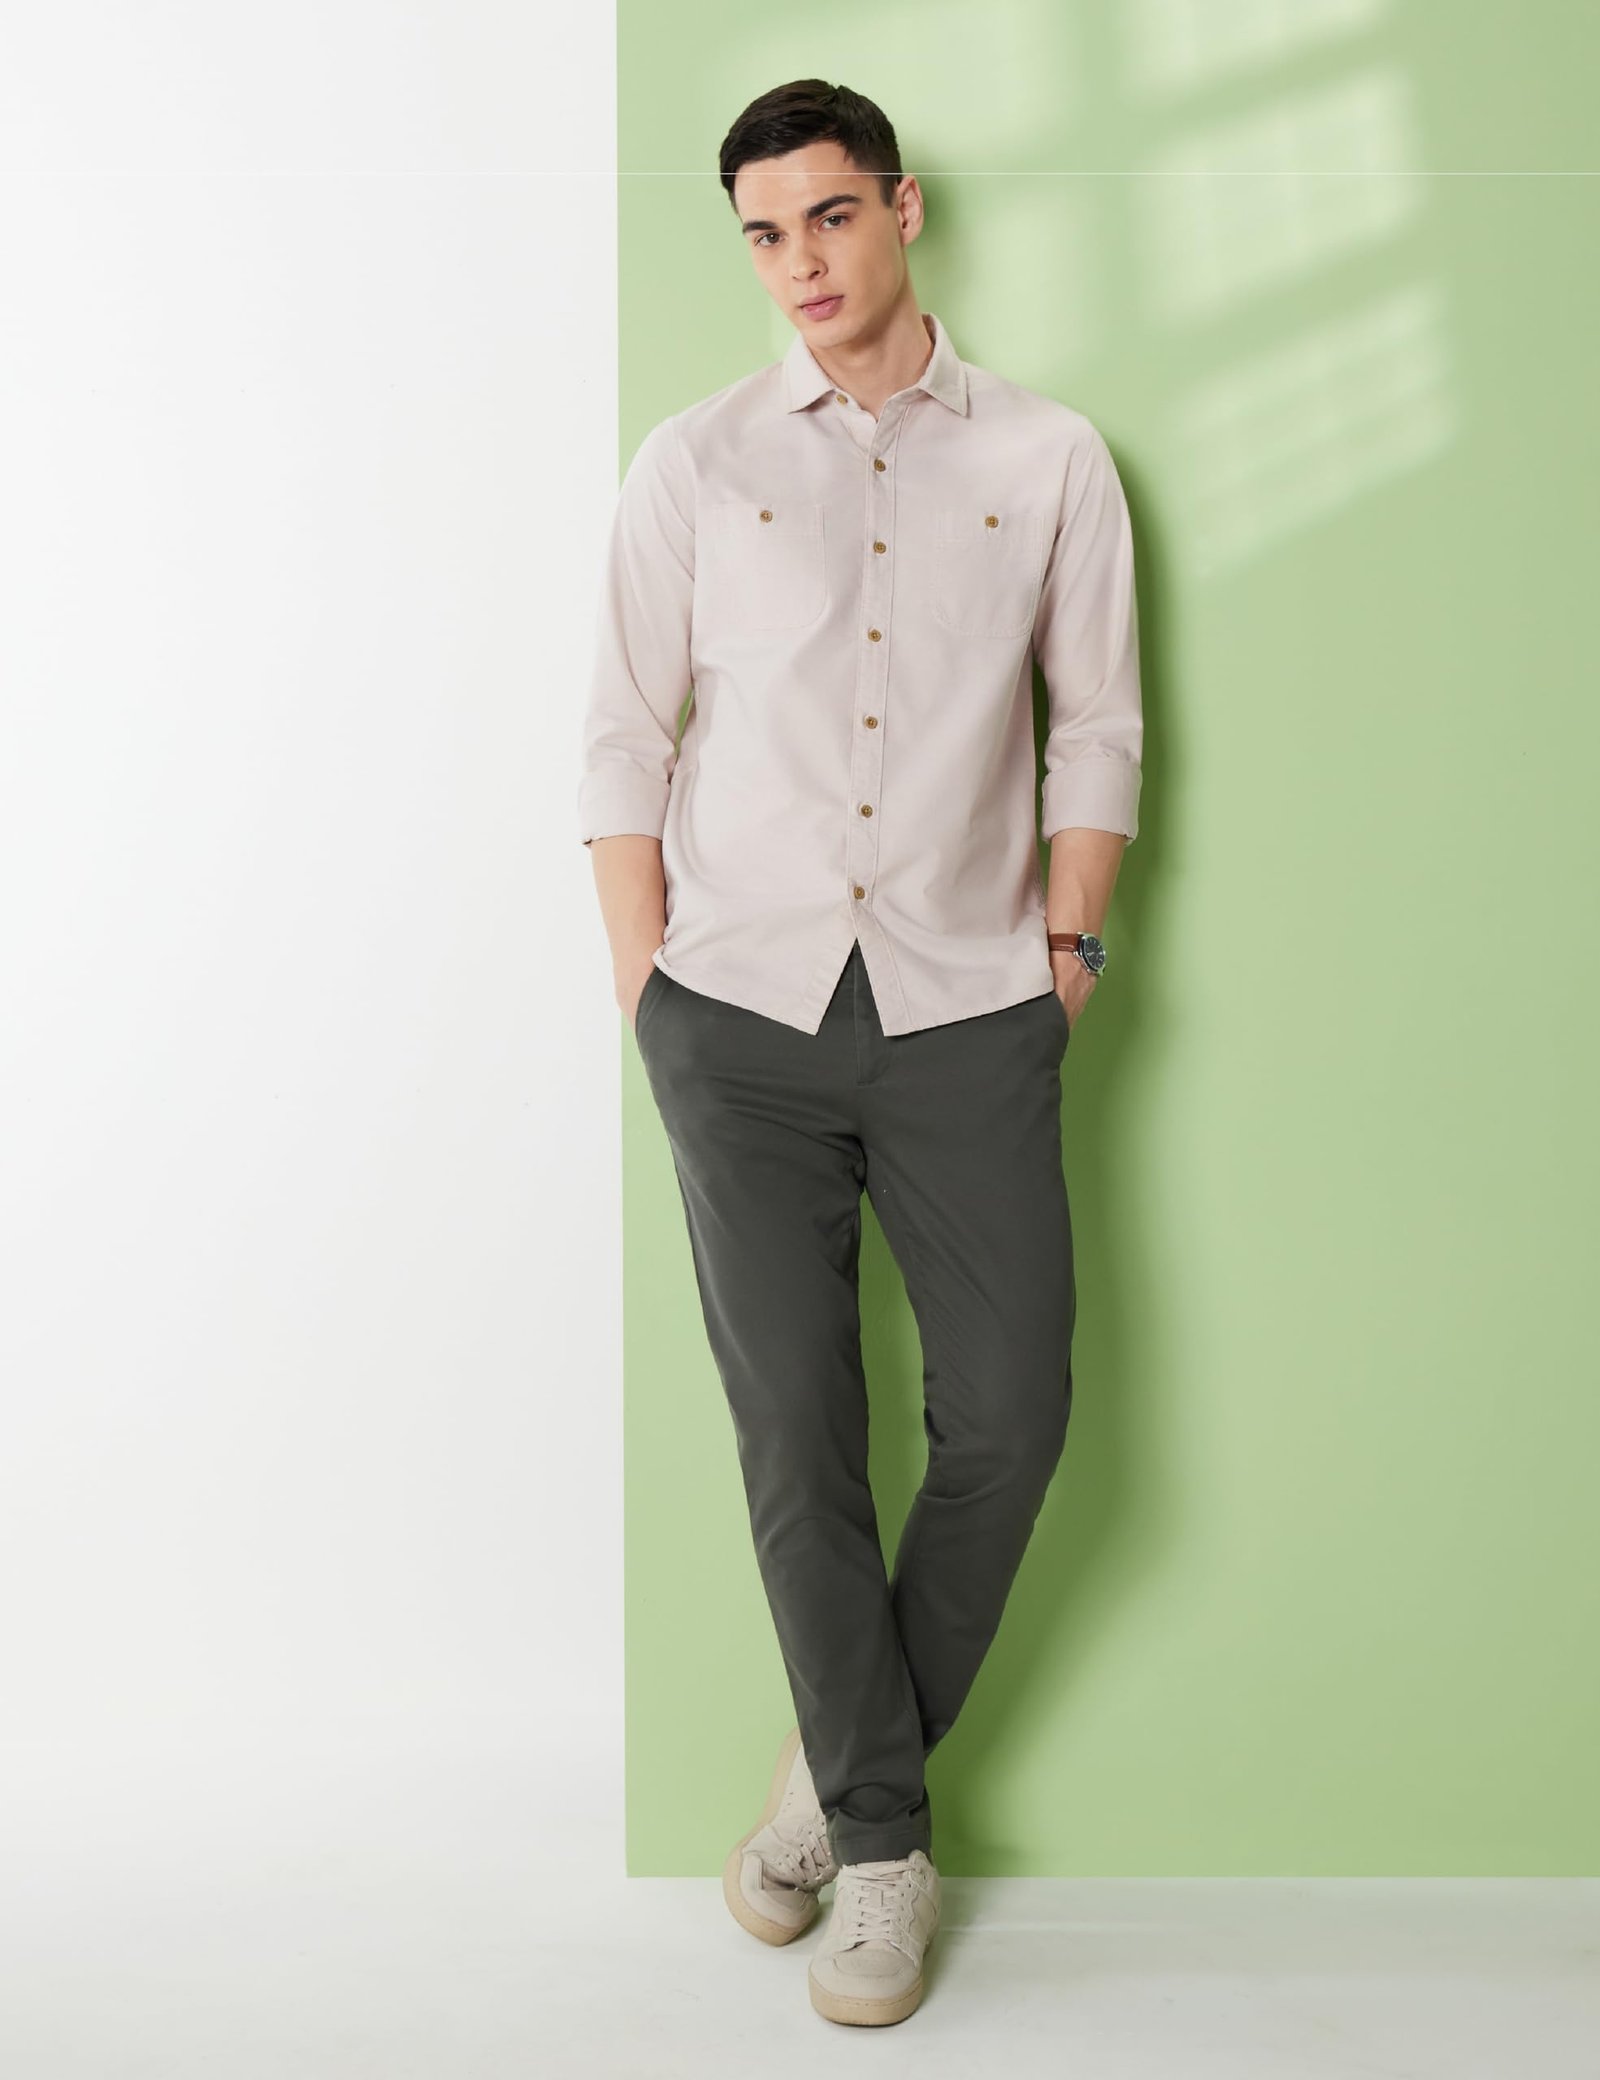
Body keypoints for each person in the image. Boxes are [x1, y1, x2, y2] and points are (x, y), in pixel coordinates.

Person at [576, 78, 1143, 2029]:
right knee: (796, 1436)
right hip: (734, 1015)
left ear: (901, 207)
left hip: (971, 1006)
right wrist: (646, 994)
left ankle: (823, 1778)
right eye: (762, 233)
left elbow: (1096, 722)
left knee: (1009, 1416)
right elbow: (621, 734)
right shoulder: (695, 461)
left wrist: (1067, 946)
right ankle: (886, 1851)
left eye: (827, 217)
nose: (798, 264)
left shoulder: (1051, 456)